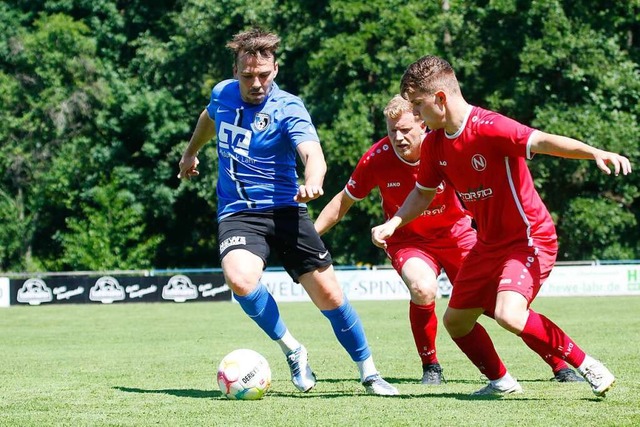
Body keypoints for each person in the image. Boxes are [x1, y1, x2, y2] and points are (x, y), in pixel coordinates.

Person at [372, 55, 631, 397]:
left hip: (529, 238)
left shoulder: (489, 127)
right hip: (488, 244)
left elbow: (542, 141)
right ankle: (502, 382)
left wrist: (593, 152)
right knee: (456, 322)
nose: (416, 115)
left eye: (418, 105)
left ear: (440, 98)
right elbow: (422, 194)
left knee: (510, 313)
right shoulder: (435, 144)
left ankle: (587, 365)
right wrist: (394, 223)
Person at [178, 27, 397, 396]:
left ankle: (369, 372)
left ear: (275, 69)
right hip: (238, 213)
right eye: (248, 76)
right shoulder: (223, 94)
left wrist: (313, 179)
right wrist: (190, 152)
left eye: (263, 75)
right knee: (240, 279)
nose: (256, 83)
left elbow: (313, 154)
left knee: (330, 296)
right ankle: (292, 349)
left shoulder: (288, 107)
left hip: (287, 210)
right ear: (236, 72)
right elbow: (208, 118)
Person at [316, 95, 585, 385]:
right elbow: (342, 201)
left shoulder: (443, 147)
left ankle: (560, 364)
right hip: (408, 241)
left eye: (405, 129)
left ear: (423, 124)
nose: (397, 137)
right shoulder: (377, 158)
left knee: (499, 306)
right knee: (422, 288)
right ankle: (431, 366)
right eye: (392, 130)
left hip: (457, 236)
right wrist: (308, 236)